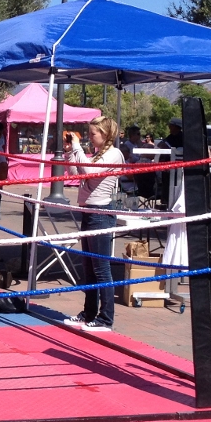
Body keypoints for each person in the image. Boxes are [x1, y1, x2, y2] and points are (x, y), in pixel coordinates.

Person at [62, 116, 124, 332]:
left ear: (105, 134)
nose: (89, 137)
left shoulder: (114, 154)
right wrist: (70, 152)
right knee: (89, 267)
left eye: (93, 133)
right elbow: (75, 173)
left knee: (101, 268)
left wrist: (77, 147)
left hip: (101, 213)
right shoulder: (97, 155)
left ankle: (106, 318)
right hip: (89, 212)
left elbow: (89, 171)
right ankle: (89, 313)